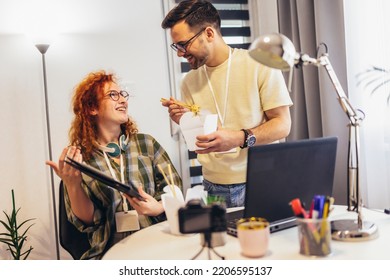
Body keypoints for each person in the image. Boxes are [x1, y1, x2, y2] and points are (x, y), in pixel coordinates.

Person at [161, 0, 292, 208]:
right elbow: (201, 140)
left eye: (183, 44)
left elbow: (283, 125)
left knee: (266, 241)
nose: (179, 53)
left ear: (209, 34)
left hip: (262, 180)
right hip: (213, 186)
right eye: (176, 46)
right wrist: (186, 121)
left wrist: (238, 138)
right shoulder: (189, 82)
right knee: (222, 241)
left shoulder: (260, 63)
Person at [46, 70, 182, 259]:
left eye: (123, 94)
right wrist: (72, 185)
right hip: (109, 248)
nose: (123, 100)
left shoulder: (146, 144)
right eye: (113, 95)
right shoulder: (81, 157)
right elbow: (87, 222)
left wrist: (158, 207)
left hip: (155, 242)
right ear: (92, 108)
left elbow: (176, 190)